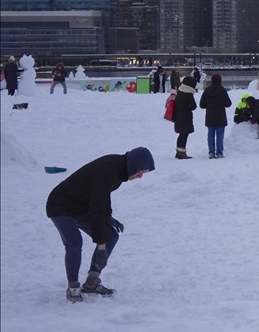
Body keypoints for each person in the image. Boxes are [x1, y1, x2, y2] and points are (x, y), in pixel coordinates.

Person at [46, 147, 155, 302]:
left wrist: (107, 216)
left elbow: (103, 195)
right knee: (74, 242)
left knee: (111, 235)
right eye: (140, 171)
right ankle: (73, 288)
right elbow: (97, 209)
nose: (140, 177)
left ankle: (91, 282)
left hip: (83, 207)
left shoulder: (118, 168)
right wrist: (101, 246)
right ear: (134, 164)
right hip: (61, 205)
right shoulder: (108, 170)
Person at [199, 74, 232, 159]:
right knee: (220, 135)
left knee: (210, 134)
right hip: (220, 115)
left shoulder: (207, 90)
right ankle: (219, 153)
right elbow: (228, 104)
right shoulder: (222, 90)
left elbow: (202, 105)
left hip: (210, 115)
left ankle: (211, 152)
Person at [173, 75, 198, 159]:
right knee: (184, 134)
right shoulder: (188, 94)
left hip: (178, 116)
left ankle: (178, 151)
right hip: (186, 117)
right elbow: (193, 106)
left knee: (181, 134)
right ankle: (182, 152)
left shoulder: (180, 92)